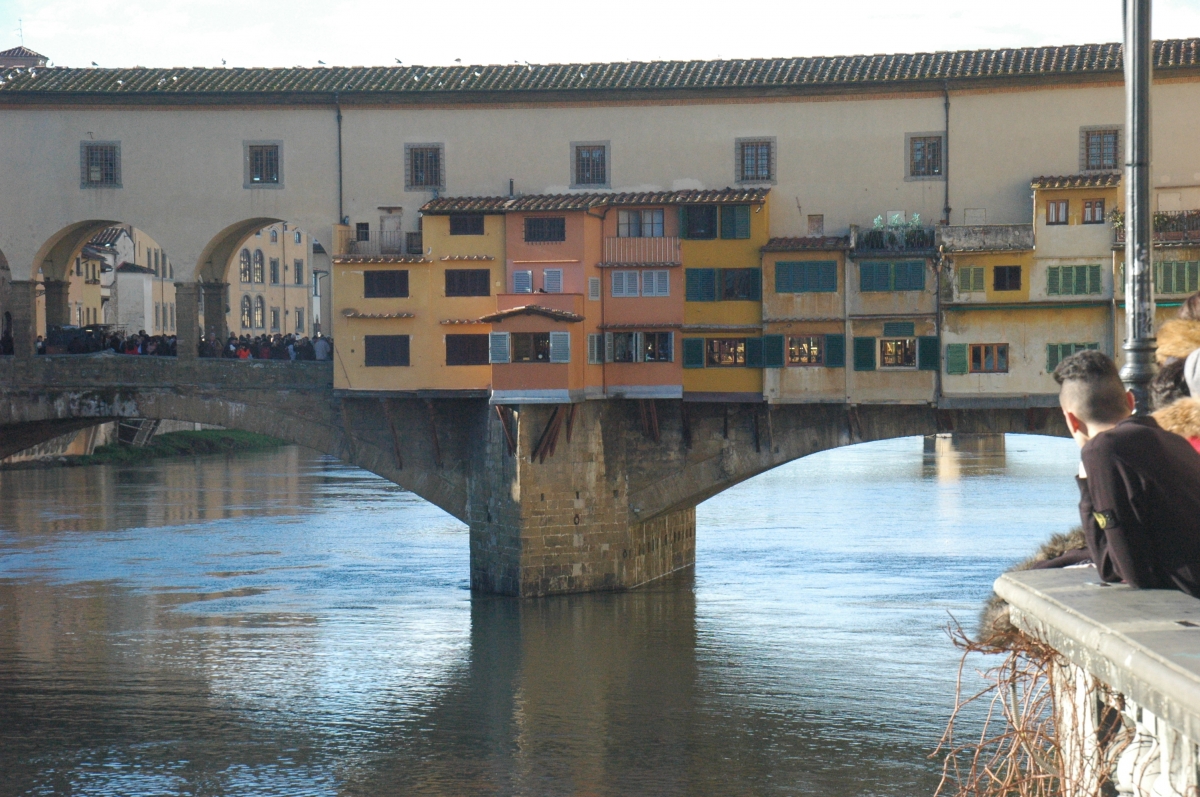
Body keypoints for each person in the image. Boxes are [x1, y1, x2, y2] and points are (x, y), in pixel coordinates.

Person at [1053, 349, 1200, 597]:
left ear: (1071, 420)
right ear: (1131, 402)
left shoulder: (1103, 450)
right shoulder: (1168, 438)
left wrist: (1086, 484)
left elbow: (1123, 570)